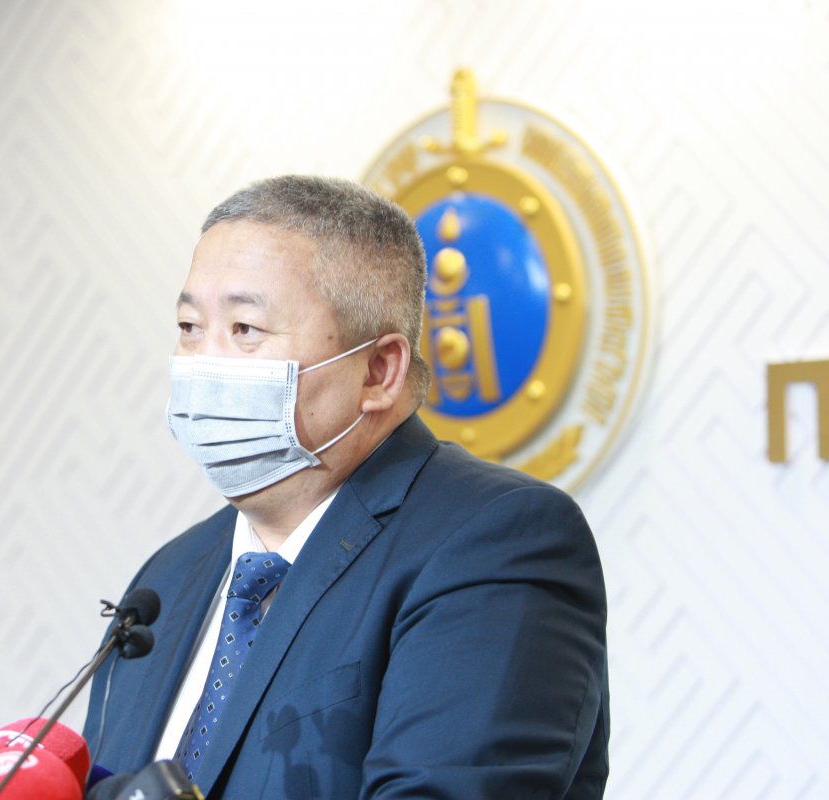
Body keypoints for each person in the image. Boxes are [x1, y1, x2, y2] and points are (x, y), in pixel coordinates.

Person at [83, 176, 609, 799]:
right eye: (190, 326)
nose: (202, 362)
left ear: (379, 371)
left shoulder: (497, 542)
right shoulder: (167, 579)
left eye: (245, 328)